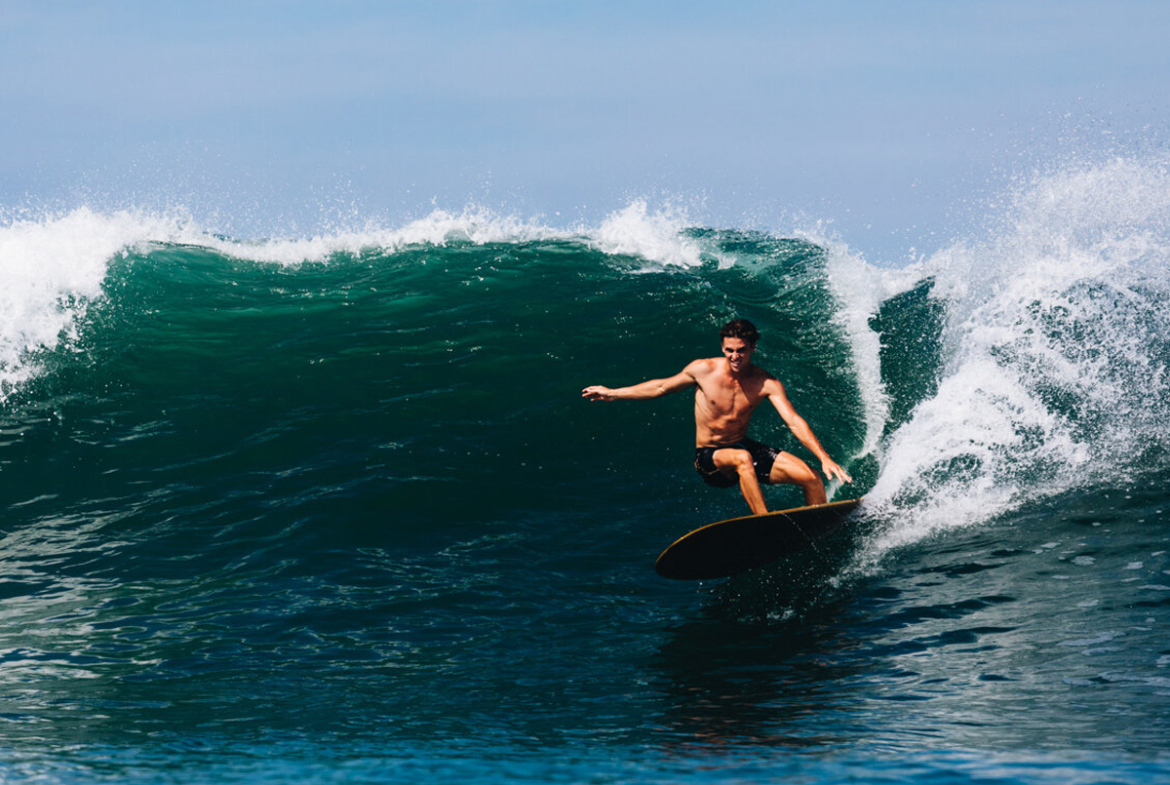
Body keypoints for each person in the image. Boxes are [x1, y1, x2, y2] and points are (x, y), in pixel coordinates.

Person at [582, 318, 852, 514]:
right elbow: (661, 386)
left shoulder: (766, 382)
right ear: (723, 348)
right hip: (710, 457)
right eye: (729, 350)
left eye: (741, 350)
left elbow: (793, 421)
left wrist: (824, 457)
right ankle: (765, 524)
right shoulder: (703, 370)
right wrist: (614, 393)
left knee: (811, 476)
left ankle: (820, 526)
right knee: (742, 458)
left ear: (752, 348)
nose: (735, 356)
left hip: (740, 444)